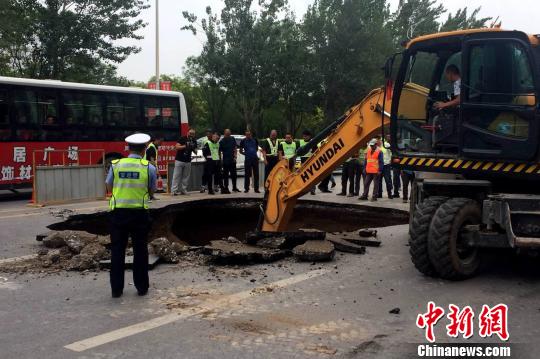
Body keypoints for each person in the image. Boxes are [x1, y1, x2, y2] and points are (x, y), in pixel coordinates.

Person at [106, 133, 157, 298]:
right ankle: (141, 287)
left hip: (118, 213)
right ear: (144, 149)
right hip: (139, 214)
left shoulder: (116, 164)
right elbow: (152, 190)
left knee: (117, 251)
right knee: (140, 251)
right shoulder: (148, 167)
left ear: (128, 148)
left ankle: (116, 289)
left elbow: (109, 186)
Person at [171, 128, 197, 195]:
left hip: (188, 160)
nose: (191, 135)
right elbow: (176, 147)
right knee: (176, 176)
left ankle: (183, 190)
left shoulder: (194, 140)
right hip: (179, 160)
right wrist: (185, 146)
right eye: (190, 133)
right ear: (188, 132)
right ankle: (174, 191)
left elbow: (196, 151)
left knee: (186, 176)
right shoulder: (182, 138)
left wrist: (193, 148)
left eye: (193, 134)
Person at [219, 129, 239, 193]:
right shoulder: (222, 141)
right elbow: (219, 151)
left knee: (234, 174)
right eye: (227, 133)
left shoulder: (232, 139)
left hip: (232, 160)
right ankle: (226, 188)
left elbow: (235, 147)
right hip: (225, 160)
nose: (228, 134)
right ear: (224, 133)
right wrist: (221, 159)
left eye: (229, 133)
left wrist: (235, 155)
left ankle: (234, 187)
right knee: (226, 175)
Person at [299, 130, 316, 195]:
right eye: (303, 136)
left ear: (309, 136)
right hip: (301, 160)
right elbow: (297, 153)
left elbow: (315, 151)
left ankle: (313, 189)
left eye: (305, 136)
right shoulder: (300, 142)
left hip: (310, 159)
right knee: (301, 175)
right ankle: (302, 189)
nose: (304, 137)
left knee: (312, 175)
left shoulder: (313, 142)